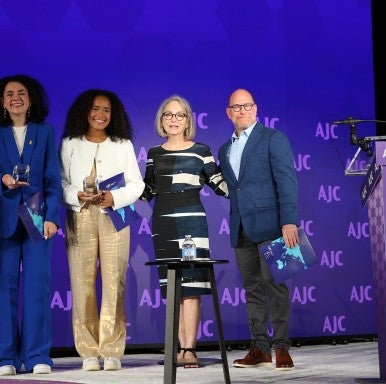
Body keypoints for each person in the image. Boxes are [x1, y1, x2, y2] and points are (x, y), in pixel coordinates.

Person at [0, 74, 62, 376]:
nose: (16, 97)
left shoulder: (45, 132)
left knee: (38, 288)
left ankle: (38, 354)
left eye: (22, 93)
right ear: (1, 102)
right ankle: (4, 359)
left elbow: (53, 180)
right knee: (3, 290)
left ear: (31, 99)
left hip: (38, 217)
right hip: (3, 217)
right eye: (9, 94)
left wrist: (53, 217)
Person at [139, 95, 228, 368]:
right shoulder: (154, 154)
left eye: (180, 115)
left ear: (188, 120)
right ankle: (179, 348)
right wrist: (115, 191)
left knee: (192, 288)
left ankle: (190, 349)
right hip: (163, 223)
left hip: (192, 223)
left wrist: (248, 188)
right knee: (173, 289)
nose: (174, 120)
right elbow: (147, 190)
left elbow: (219, 183)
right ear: (161, 120)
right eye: (169, 115)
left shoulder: (201, 150)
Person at [59, 89, 144, 372]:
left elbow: (137, 184)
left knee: (114, 282)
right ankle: (88, 351)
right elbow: (59, 183)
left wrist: (114, 198)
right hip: (80, 216)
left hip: (114, 216)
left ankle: (111, 349)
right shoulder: (70, 143)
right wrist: (75, 195)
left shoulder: (123, 144)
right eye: (95, 109)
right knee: (82, 283)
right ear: (84, 111)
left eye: (106, 110)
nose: (100, 115)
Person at [217, 88, 299, 371]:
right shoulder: (224, 149)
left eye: (247, 105)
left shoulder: (273, 139)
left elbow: (287, 181)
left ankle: (282, 348)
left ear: (256, 109)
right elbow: (232, 187)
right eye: (236, 107)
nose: (242, 111)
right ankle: (259, 348)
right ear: (229, 113)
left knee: (276, 286)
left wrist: (290, 221)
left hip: (275, 226)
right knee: (251, 289)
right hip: (241, 228)